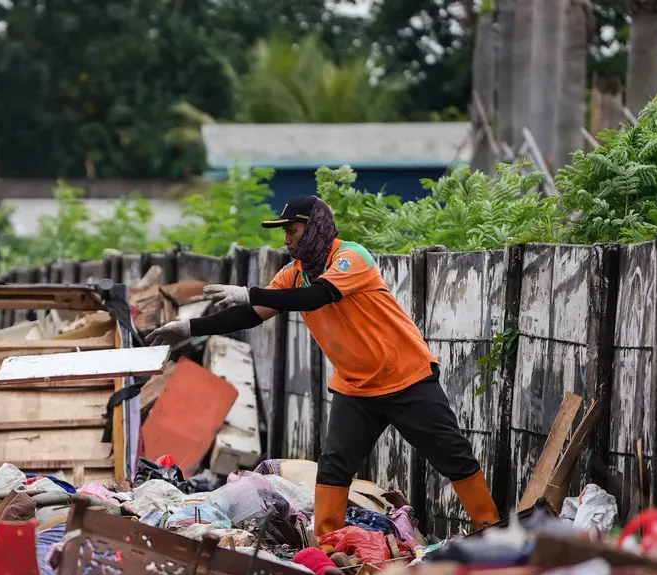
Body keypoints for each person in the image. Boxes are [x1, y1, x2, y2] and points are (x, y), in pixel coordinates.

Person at [147, 196, 501, 536]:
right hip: (356, 387)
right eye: (283, 232)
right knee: (334, 467)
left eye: (292, 230)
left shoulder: (351, 258)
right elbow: (253, 315)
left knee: (452, 455)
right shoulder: (293, 272)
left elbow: (318, 296)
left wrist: (252, 292)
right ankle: (328, 543)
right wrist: (190, 328)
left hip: (406, 377)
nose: (286, 239)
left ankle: (488, 527)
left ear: (315, 228)